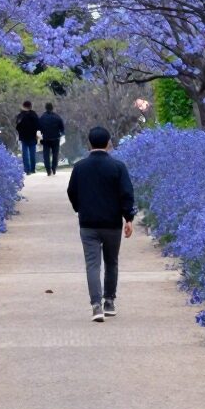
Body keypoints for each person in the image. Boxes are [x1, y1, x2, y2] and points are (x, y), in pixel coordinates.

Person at [65, 125, 135, 322]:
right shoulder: (118, 167)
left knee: (92, 264)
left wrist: (80, 208)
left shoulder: (79, 167)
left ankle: (96, 306)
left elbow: (72, 192)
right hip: (112, 223)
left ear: (89, 144)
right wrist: (128, 218)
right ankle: (109, 301)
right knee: (111, 262)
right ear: (108, 143)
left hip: (88, 223)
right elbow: (126, 194)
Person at [37, 101, 66, 175]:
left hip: (46, 139)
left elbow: (39, 128)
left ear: (45, 108)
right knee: (55, 154)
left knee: (46, 155)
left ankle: (48, 170)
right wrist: (61, 134)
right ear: (52, 108)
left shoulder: (42, 117)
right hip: (55, 138)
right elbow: (62, 128)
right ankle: (54, 168)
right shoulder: (57, 117)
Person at [14, 99, 41, 175]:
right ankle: (33, 169)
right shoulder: (34, 114)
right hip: (32, 136)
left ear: (23, 106)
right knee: (33, 153)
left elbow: (17, 126)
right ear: (31, 106)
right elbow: (38, 125)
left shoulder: (21, 115)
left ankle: (27, 170)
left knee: (25, 154)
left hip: (23, 137)